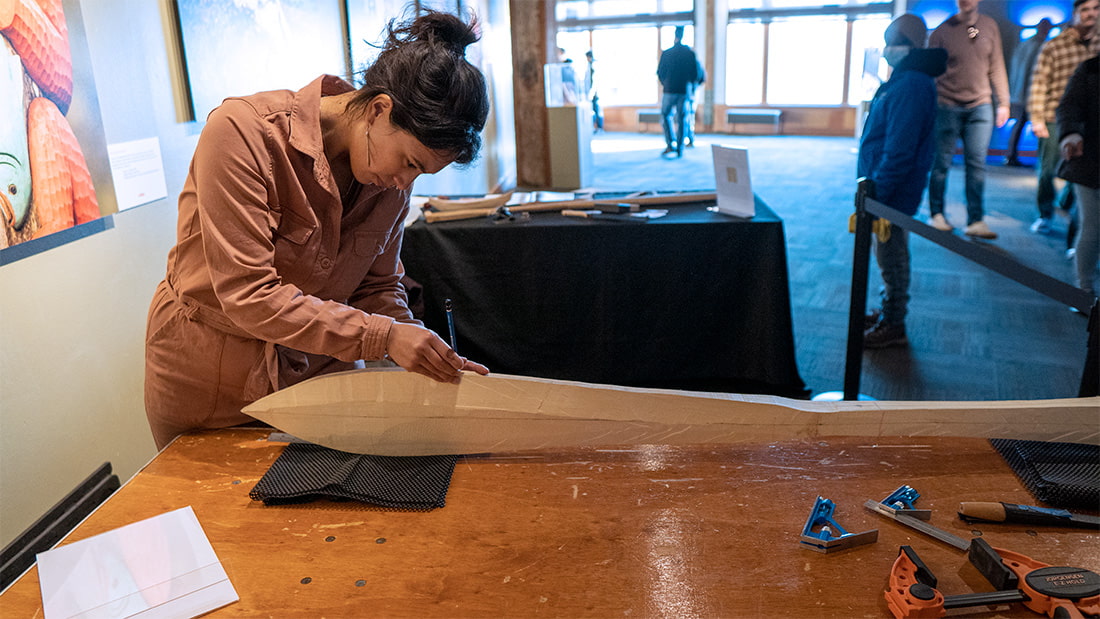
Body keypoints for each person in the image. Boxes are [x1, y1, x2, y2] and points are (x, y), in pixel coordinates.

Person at [144, 10, 491, 449]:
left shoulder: (387, 181)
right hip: (210, 378)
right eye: (409, 162)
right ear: (379, 110)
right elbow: (249, 296)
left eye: (421, 174)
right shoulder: (243, 134)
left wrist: (419, 347)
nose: (406, 184)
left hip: (315, 375)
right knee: (213, 515)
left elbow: (376, 287)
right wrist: (384, 337)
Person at [859, 14, 948, 348]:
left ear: (908, 45)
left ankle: (893, 321)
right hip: (885, 188)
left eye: (891, 41)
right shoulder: (905, 78)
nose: (885, 49)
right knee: (887, 254)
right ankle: (888, 309)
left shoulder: (911, 83)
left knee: (891, 255)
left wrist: (877, 191)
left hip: (891, 192)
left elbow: (899, 149)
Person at [926, 0, 1010, 240]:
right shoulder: (941, 31)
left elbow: (996, 65)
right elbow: (931, 73)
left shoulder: (989, 26)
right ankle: (937, 213)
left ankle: (975, 219)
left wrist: (1003, 102)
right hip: (947, 104)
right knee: (941, 163)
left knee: (977, 164)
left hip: (980, 106)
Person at [1027, 0, 1098, 235]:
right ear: (1076, 13)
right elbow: (1039, 82)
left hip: (1090, 122)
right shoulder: (1055, 46)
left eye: (1096, 8)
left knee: (1080, 175)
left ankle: (1073, 222)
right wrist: (1036, 118)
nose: (1091, 14)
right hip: (1054, 117)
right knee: (1048, 171)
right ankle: (1045, 213)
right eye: (1085, 9)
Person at [1057, 53, 1099, 301]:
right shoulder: (1092, 68)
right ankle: (1084, 290)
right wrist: (1071, 133)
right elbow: (1069, 105)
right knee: (1092, 225)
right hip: (1091, 159)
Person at [1004, 18, 1052, 166]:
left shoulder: (1028, 45)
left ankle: (1015, 157)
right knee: (1026, 126)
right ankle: (1014, 156)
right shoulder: (1035, 46)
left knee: (1024, 126)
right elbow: (1028, 73)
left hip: (1025, 94)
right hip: (1026, 94)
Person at [656, 26, 700, 158]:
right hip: (684, 91)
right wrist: (690, 86)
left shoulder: (667, 53)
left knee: (666, 116)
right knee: (682, 119)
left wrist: (666, 83)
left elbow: (660, 72)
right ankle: (680, 147)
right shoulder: (689, 53)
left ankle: (670, 144)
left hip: (669, 90)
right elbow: (696, 74)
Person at [683, 56, 706, 148]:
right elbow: (703, 78)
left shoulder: (691, 64)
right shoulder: (697, 64)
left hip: (690, 91)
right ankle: (689, 138)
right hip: (693, 90)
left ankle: (689, 138)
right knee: (689, 115)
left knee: (687, 115)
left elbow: (702, 77)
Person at [585, 50, 603, 132]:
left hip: (594, 93)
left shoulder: (593, 66)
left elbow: (594, 81)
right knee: (595, 110)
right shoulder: (590, 66)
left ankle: (599, 127)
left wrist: (592, 92)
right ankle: (597, 126)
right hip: (593, 92)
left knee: (596, 109)